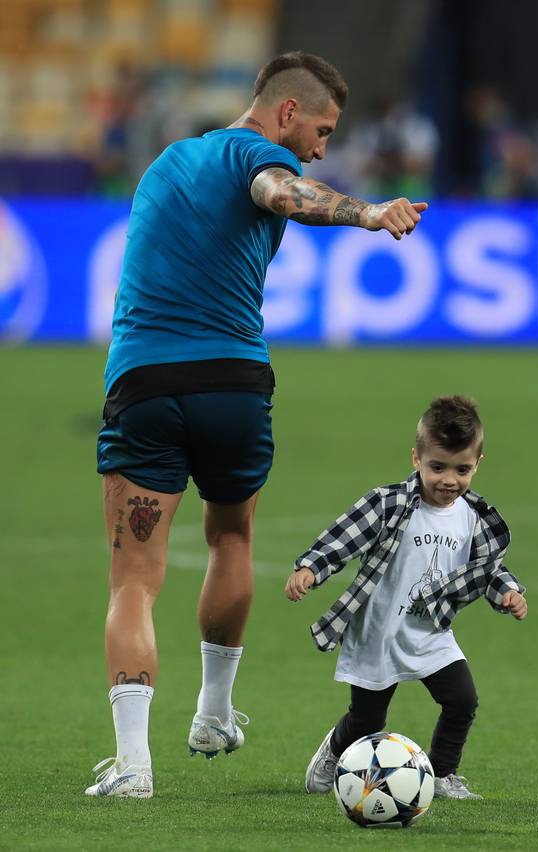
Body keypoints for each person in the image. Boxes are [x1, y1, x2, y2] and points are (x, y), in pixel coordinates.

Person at [86, 50, 429, 798]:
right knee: (232, 536)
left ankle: (134, 767)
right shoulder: (258, 153)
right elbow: (282, 190)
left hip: (145, 381)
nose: (323, 146)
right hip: (235, 388)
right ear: (285, 112)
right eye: (323, 129)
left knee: (134, 581)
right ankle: (213, 714)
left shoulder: (168, 165)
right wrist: (365, 212)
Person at [285, 395, 527, 800]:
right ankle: (335, 750)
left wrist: (508, 592)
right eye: (438, 467)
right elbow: (344, 537)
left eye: (462, 469)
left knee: (462, 700)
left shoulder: (473, 517)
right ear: (416, 458)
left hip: (430, 631)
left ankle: (442, 774)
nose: (449, 479)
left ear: (478, 464)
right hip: (378, 631)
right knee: (367, 718)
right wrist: (311, 567)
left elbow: (486, 568)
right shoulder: (389, 503)